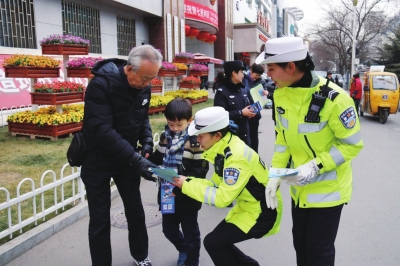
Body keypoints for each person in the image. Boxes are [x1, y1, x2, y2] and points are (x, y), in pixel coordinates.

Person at [256, 37, 364, 266]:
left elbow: (351, 145)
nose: (269, 75)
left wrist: (316, 166)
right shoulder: (281, 94)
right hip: (300, 191)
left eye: (272, 68)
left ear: (291, 67)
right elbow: (283, 140)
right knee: (301, 247)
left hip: (328, 192)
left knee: (319, 254)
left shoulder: (336, 100)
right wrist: (275, 174)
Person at [81, 45, 163, 266]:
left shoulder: (144, 85)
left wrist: (146, 141)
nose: (148, 84)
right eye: (145, 78)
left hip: (126, 159)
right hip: (97, 159)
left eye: (152, 79)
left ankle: (140, 255)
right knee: (99, 219)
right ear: (128, 69)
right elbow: (102, 130)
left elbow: (142, 118)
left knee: (135, 211)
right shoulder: (100, 85)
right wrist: (136, 159)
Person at [173, 106, 282, 266]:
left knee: (214, 243)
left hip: (262, 212)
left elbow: (222, 198)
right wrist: (185, 182)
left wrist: (186, 185)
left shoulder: (235, 157)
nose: (197, 140)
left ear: (217, 135)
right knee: (217, 242)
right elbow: (216, 185)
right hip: (250, 208)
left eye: (201, 136)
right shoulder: (224, 148)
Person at [148, 98, 208, 266]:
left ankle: (191, 261)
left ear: (189, 121)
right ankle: (183, 249)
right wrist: (147, 157)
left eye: (179, 125)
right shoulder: (165, 137)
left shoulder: (196, 141)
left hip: (187, 194)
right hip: (167, 192)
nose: (174, 129)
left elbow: (200, 170)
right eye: (170, 124)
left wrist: (183, 186)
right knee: (169, 230)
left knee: (191, 233)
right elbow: (157, 157)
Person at [214, 60, 255, 146]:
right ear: (234, 73)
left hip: (245, 135)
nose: (243, 75)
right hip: (231, 138)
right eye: (241, 72)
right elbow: (219, 117)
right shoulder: (222, 92)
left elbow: (246, 107)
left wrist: (250, 112)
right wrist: (241, 113)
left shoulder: (243, 90)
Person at [242, 63, 269, 152]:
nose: (256, 77)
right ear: (251, 71)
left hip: (254, 113)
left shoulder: (261, 82)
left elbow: (262, 100)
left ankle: (255, 155)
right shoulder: (243, 79)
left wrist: (253, 112)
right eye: (255, 74)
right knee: (244, 136)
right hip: (243, 112)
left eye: (259, 75)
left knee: (253, 136)